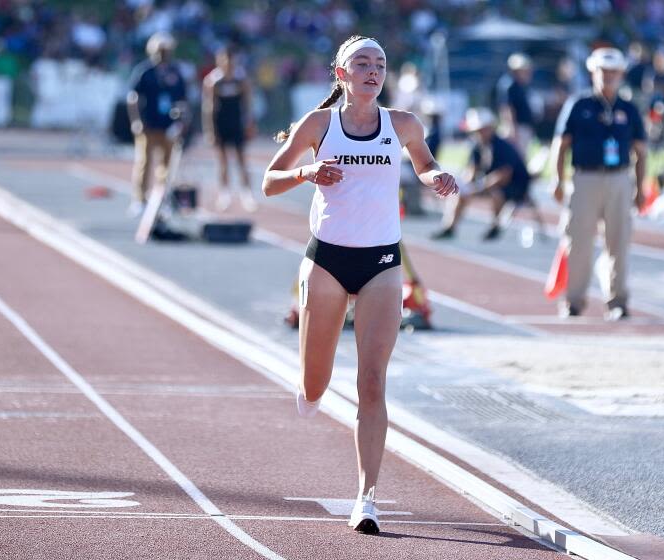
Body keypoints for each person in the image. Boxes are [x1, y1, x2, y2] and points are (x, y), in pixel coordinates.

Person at [261, 35, 458, 534]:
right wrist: (307, 171)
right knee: (314, 385)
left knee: (372, 382)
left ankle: (366, 497)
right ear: (341, 74)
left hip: (383, 265)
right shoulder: (319, 124)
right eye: (362, 64)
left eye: (380, 64)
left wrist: (437, 177)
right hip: (327, 261)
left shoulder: (404, 124)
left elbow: (424, 162)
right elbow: (269, 180)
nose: (373, 71)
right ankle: (310, 388)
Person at [551, 47, 647, 321]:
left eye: (614, 72)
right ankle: (574, 300)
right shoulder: (579, 105)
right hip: (585, 177)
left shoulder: (628, 109)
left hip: (619, 178)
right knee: (578, 241)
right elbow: (561, 144)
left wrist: (640, 187)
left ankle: (617, 300)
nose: (608, 77)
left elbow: (641, 151)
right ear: (593, 72)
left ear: (621, 74)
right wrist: (558, 179)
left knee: (618, 242)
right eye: (603, 71)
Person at [431, 108, 532, 241]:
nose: (479, 133)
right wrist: (463, 186)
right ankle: (450, 227)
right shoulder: (477, 146)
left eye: (482, 129)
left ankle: (495, 226)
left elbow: (503, 175)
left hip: (515, 186)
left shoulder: (502, 146)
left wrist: (479, 188)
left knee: (497, 194)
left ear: (490, 128)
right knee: (460, 193)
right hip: (489, 184)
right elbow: (472, 169)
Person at [126, 32, 188, 217]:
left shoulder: (175, 72)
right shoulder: (145, 71)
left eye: (166, 50)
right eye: (160, 50)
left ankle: (162, 199)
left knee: (167, 166)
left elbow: (182, 99)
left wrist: (181, 122)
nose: (163, 54)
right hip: (149, 124)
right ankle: (139, 199)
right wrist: (136, 120)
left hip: (168, 126)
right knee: (144, 163)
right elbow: (133, 97)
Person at [202, 48, 257, 212]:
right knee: (222, 160)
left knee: (242, 159)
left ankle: (247, 193)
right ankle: (224, 193)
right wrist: (210, 130)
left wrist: (250, 123)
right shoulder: (214, 80)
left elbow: (247, 103)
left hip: (237, 122)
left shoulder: (241, 79)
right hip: (221, 122)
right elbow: (208, 107)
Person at [496, 53, 535, 157]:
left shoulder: (517, 85)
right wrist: (512, 128)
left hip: (520, 127)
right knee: (517, 157)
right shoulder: (510, 85)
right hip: (517, 128)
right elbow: (507, 108)